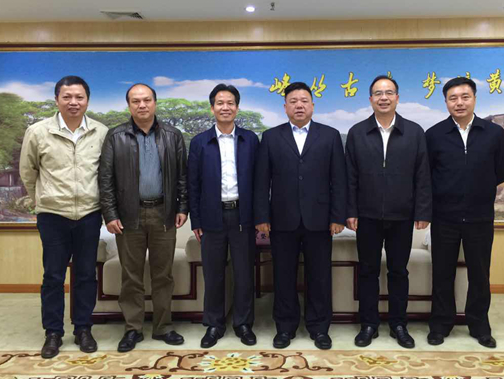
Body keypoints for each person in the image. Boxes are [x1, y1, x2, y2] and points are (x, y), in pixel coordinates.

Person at [20, 75, 108, 359]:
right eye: (67, 97)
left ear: (87, 101)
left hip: (89, 214)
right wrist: (40, 200)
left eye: (79, 97)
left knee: (86, 274)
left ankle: (83, 328)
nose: (73, 102)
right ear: (57, 99)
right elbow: (28, 171)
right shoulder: (38, 131)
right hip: (53, 215)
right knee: (53, 276)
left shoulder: (100, 132)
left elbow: (106, 174)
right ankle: (53, 332)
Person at [254, 81, 347, 350]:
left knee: (319, 276)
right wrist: (262, 216)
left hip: (320, 219)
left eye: (304, 101)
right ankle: (285, 327)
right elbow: (261, 181)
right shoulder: (271, 137)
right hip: (282, 219)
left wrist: (337, 216)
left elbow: (339, 179)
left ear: (313, 106)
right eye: (293, 101)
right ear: (285, 107)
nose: (299, 105)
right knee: (283, 276)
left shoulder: (330, 135)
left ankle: (319, 328)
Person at [99, 83, 188, 352]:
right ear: (129, 105)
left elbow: (183, 177)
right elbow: (105, 179)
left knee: (163, 275)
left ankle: (163, 327)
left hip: (164, 214)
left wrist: (182, 208)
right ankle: (132, 329)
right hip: (129, 215)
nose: (142, 105)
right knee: (131, 276)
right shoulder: (115, 136)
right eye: (136, 101)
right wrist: (110, 214)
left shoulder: (172, 135)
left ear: (155, 103)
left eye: (147, 100)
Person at [345, 75, 432, 349]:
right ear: (370, 99)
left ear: (397, 98)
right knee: (368, 271)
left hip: (402, 215)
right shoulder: (358, 132)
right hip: (367, 215)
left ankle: (398, 324)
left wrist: (422, 211)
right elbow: (350, 176)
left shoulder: (414, 132)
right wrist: (350, 210)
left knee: (398, 272)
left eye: (389, 92)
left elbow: (422, 175)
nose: (383, 98)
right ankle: (368, 324)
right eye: (378, 93)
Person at [425, 77, 504, 348]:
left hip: (480, 217)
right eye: (453, 98)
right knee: (442, 274)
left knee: (479, 274)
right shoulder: (434, 135)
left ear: (474, 99)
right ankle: (440, 325)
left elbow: (501, 171)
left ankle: (479, 325)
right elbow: (427, 174)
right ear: (446, 102)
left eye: (465, 97)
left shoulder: (494, 133)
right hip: (444, 217)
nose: (459, 103)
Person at [187, 84, 259, 348]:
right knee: (214, 274)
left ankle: (243, 324)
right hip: (211, 217)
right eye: (220, 103)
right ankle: (214, 325)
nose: (225, 107)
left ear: (237, 108)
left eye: (230, 103)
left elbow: (260, 181)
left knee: (244, 274)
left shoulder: (250, 140)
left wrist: (259, 217)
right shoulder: (200, 142)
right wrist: (196, 220)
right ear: (212, 108)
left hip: (243, 217)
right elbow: (193, 184)